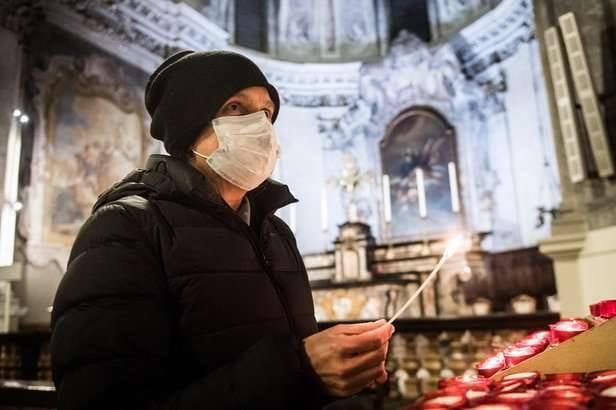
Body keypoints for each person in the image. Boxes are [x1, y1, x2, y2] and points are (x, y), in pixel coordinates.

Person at [50, 50, 395, 410]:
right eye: (235, 107)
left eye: (267, 113)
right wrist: (300, 369)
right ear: (189, 124)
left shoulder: (276, 233)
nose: (260, 126)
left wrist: (339, 373)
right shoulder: (125, 227)